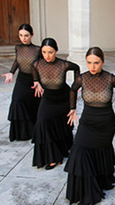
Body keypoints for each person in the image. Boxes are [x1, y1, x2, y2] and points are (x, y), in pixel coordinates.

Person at [64, 47, 115, 205]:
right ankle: (82, 190)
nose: (92, 66)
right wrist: (72, 108)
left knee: (100, 150)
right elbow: (72, 90)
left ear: (102, 62)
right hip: (87, 122)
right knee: (79, 150)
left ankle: (100, 180)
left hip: (106, 124)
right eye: (89, 63)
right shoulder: (82, 78)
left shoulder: (110, 78)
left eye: (96, 63)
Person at [31, 38, 80, 170]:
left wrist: (76, 85)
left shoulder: (63, 64)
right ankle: (52, 156)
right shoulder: (37, 64)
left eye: (50, 52)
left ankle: (61, 152)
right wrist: (36, 81)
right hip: (48, 99)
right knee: (42, 122)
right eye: (44, 52)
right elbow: (33, 69)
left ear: (56, 51)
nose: (47, 55)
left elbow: (77, 68)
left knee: (63, 123)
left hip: (64, 98)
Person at [2, 24, 41, 141]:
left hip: (34, 82)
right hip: (21, 80)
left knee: (34, 105)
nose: (23, 38)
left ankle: (33, 131)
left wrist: (39, 81)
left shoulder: (37, 50)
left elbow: (42, 66)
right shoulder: (18, 48)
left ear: (32, 35)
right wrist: (11, 72)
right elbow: (17, 61)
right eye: (21, 35)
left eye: (26, 35)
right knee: (17, 101)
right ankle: (21, 133)